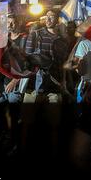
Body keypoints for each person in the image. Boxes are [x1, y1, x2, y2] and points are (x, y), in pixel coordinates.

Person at [22, 9, 67, 159]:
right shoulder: (36, 34)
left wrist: (64, 82)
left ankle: (53, 155)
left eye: (52, 17)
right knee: (28, 122)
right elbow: (27, 58)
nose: (48, 19)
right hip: (34, 85)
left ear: (58, 20)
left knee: (54, 123)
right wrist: (41, 61)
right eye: (46, 16)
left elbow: (62, 64)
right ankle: (23, 151)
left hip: (55, 85)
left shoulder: (62, 40)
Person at [0, 13, 28, 150]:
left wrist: (14, 81)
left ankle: (14, 141)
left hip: (16, 84)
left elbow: (27, 64)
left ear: (18, 23)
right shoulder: (5, 39)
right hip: (3, 82)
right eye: (7, 22)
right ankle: (4, 133)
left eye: (12, 22)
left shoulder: (24, 39)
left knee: (14, 115)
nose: (10, 25)